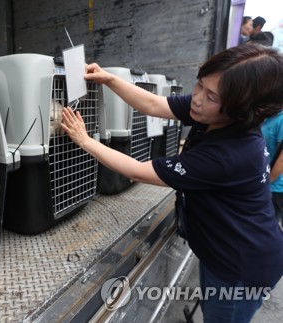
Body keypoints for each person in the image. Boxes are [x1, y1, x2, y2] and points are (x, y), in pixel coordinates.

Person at [60, 44, 283, 323]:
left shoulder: (229, 155)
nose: (197, 99)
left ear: (242, 109)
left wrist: (85, 140)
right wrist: (109, 79)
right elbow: (155, 104)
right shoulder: (217, 113)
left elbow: (139, 172)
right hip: (228, 250)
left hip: (241, 266)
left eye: (211, 95)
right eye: (199, 85)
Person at [262, 111, 283, 228]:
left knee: (269, 229)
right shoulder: (268, 117)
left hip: (275, 189)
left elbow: (282, 161)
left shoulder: (282, 120)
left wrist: (264, 183)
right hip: (265, 185)